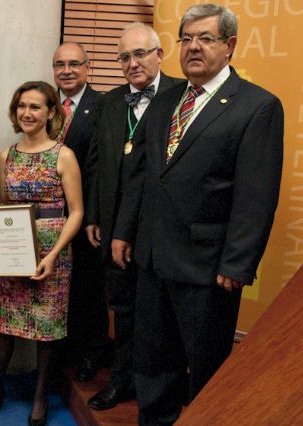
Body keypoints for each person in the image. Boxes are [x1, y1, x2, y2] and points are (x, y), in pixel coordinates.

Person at [111, 4, 284, 424]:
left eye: (205, 38)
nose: (193, 47)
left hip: (208, 268)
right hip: (153, 257)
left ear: (229, 46)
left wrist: (239, 262)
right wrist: (124, 231)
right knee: (152, 362)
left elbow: (256, 194)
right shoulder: (166, 99)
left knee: (206, 371)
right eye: (186, 38)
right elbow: (146, 176)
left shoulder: (257, 106)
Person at [0, 81, 83, 426]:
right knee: (4, 325)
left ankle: (40, 398)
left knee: (47, 329)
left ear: (51, 113)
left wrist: (53, 255)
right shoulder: (8, 155)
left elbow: (76, 212)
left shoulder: (64, 155)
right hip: (14, 252)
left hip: (53, 253)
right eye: (21, 106)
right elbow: (4, 207)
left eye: (35, 107)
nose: (27, 113)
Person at [83, 22, 181, 411]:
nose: (132, 63)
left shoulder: (181, 96)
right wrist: (93, 214)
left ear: (160, 54)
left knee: (160, 317)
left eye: (140, 54)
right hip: (112, 228)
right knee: (122, 312)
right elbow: (96, 164)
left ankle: (158, 389)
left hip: (159, 231)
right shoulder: (109, 102)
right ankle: (121, 382)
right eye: (124, 56)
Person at [52, 42, 109, 383]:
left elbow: (103, 168)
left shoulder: (103, 106)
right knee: (59, 287)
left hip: (85, 215)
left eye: (75, 63)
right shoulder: (46, 105)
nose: (67, 70)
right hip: (50, 215)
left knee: (88, 286)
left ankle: (92, 352)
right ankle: (63, 352)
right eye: (60, 64)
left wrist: (94, 216)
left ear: (88, 67)